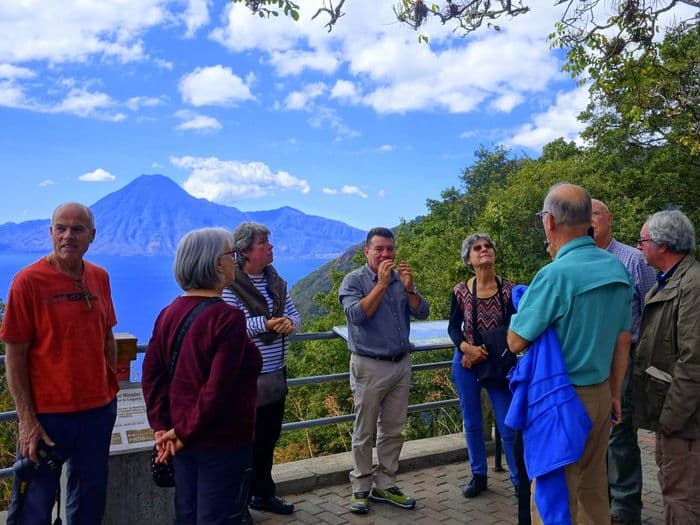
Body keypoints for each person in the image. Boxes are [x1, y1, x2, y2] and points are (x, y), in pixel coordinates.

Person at [507, 183, 632, 524]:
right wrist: (616, 393)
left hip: (560, 401)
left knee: (554, 496)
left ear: (549, 222)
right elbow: (623, 340)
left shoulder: (554, 276)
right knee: (594, 486)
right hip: (602, 393)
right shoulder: (617, 270)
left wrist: (521, 304)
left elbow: (515, 341)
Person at [0, 202, 119, 524]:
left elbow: (107, 336)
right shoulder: (28, 282)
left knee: (90, 499)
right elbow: (15, 354)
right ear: (50, 232)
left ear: (91, 236)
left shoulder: (99, 277)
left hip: (97, 412)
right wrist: (26, 419)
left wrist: (111, 391)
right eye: (61, 228)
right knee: (34, 503)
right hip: (48, 416)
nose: (68, 236)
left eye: (77, 229)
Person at [142, 228, 261, 525]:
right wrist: (181, 432)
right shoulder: (228, 318)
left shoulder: (169, 312)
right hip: (221, 440)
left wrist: (164, 428)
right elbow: (217, 389)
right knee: (220, 516)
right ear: (217, 263)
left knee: (188, 514)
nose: (234, 261)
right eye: (230, 255)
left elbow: (152, 375)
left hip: (181, 438)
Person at [338, 227, 430, 514]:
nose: (386, 254)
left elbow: (422, 311)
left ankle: (385, 484)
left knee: (393, 430)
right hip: (368, 365)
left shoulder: (399, 280)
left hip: (400, 364)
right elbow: (356, 316)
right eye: (379, 249)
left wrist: (409, 288)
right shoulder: (354, 280)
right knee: (364, 431)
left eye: (390, 249)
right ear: (367, 251)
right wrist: (380, 284)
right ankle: (361, 487)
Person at [222, 222, 300, 518]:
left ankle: (263, 494)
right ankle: (238, 504)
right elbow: (233, 324)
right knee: (243, 445)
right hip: (245, 380)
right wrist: (267, 324)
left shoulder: (275, 282)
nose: (270, 248)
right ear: (245, 251)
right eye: (263, 244)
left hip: (275, 374)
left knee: (268, 439)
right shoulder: (230, 285)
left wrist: (288, 324)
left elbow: (294, 315)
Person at [591, 199, 656, 525]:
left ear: (609, 219)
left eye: (596, 213)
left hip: (624, 359)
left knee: (620, 435)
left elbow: (651, 311)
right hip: (591, 362)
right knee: (596, 432)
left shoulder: (632, 258)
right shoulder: (582, 261)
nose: (590, 220)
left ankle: (626, 511)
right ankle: (602, 503)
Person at [633, 209, 700, 524]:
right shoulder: (667, 282)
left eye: (643, 240)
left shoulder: (693, 284)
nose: (639, 246)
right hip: (673, 416)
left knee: (683, 498)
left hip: (685, 420)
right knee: (674, 488)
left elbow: (693, 359)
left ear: (662, 244)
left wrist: (672, 417)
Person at [447, 233, 519, 498]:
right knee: (473, 421)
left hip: (497, 363)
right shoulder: (460, 290)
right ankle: (479, 475)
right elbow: (454, 327)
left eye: (488, 246)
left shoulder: (510, 290)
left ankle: (518, 479)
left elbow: (515, 328)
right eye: (477, 248)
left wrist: (482, 353)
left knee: (508, 423)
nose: (484, 250)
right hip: (465, 362)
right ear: (468, 259)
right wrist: (466, 349)